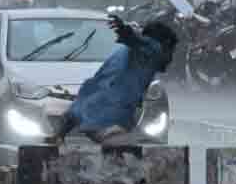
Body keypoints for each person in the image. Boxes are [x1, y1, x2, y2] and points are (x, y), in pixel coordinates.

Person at [55, 16, 178, 145]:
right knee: (142, 147)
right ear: (165, 44)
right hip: (109, 124)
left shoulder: (119, 56)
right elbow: (141, 41)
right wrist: (126, 31)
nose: (171, 58)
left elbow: (87, 93)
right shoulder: (153, 49)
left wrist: (64, 128)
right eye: (172, 51)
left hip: (96, 119)